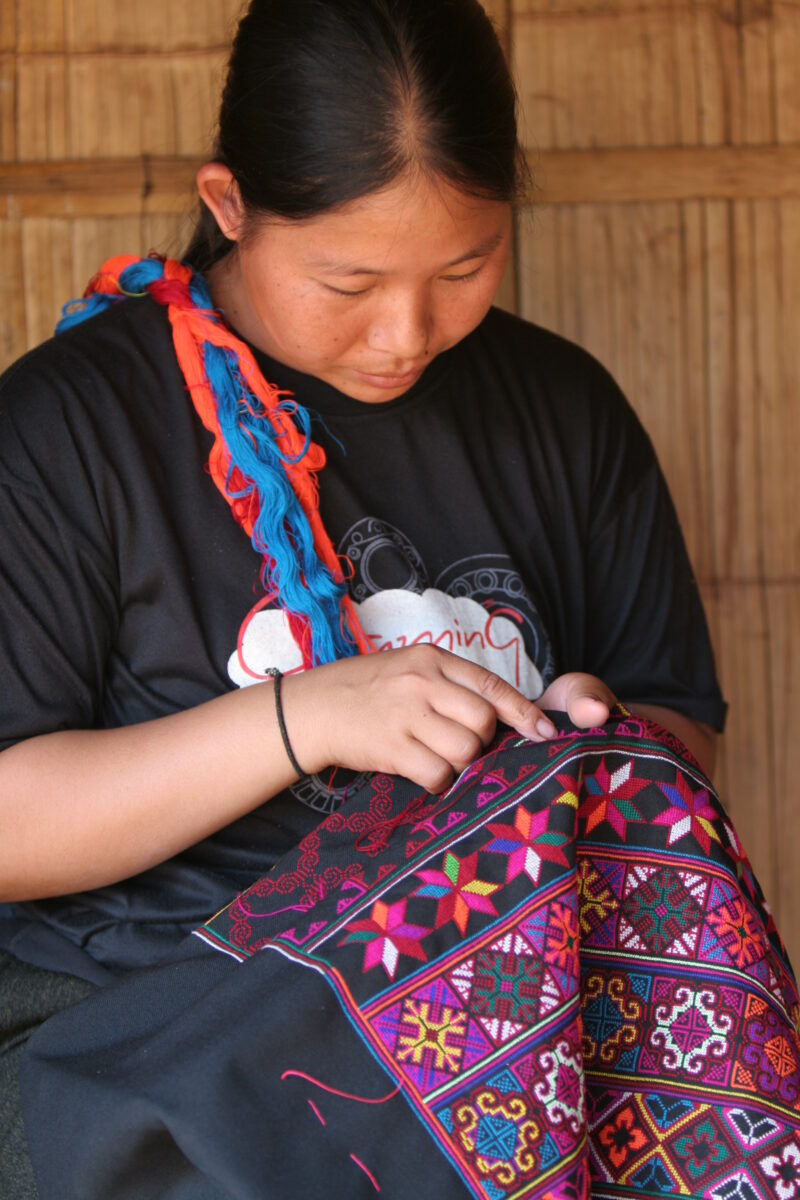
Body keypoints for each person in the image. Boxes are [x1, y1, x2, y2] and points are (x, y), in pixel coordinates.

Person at [0, 0, 728, 1193]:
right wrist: (305, 718)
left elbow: (677, 730)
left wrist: (596, 748)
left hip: (502, 1010)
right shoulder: (69, 430)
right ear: (229, 205)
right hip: (146, 1019)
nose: (405, 332)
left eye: (463, 268)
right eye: (346, 280)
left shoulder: (563, 411)